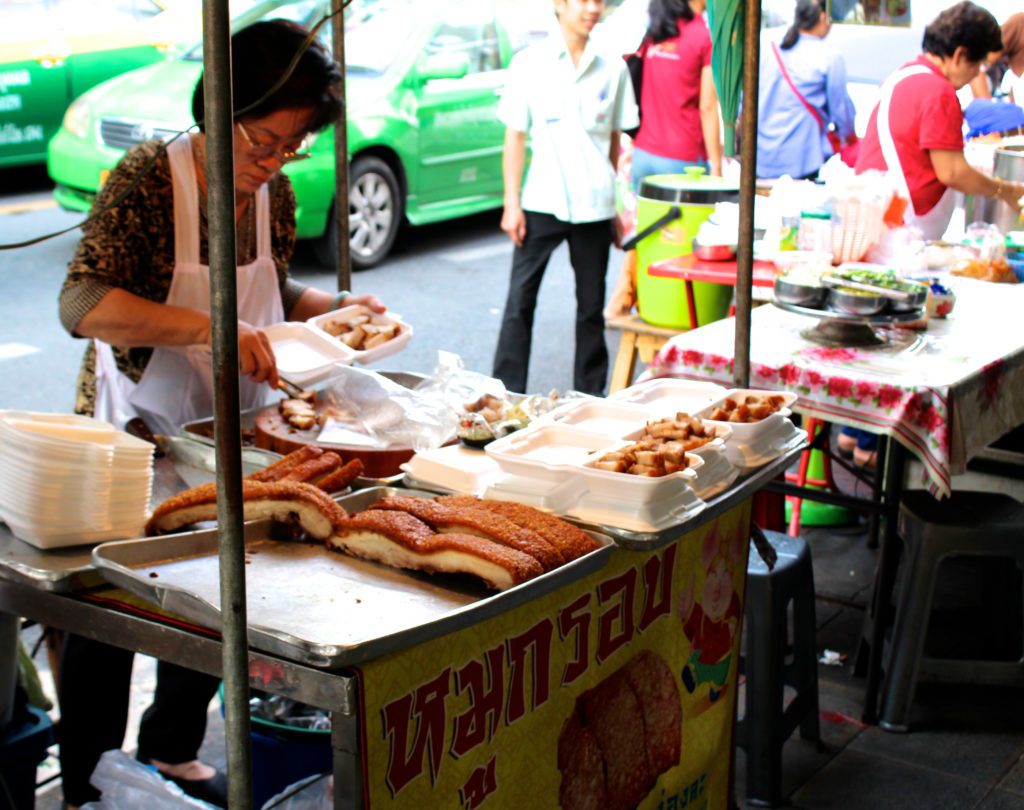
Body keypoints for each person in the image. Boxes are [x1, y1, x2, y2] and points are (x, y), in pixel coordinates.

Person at [56, 20, 383, 808]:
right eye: (260, 142)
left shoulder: (271, 191)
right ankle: (87, 785)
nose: (271, 163)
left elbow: (278, 293)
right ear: (218, 107)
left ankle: (168, 749)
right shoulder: (146, 179)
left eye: (289, 147)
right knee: (111, 618)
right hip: (135, 440)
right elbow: (82, 302)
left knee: (212, 602)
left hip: (229, 435)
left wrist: (338, 312)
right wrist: (213, 325)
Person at [492, 0, 638, 396]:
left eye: (599, 2)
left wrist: (615, 203)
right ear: (559, 3)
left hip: (595, 205)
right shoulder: (529, 63)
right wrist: (511, 203)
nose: (593, 8)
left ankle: (589, 400)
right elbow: (515, 136)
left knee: (591, 310)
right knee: (519, 304)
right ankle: (505, 397)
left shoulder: (614, 66)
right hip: (542, 200)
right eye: (583, 0)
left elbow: (614, 141)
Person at [855, 1, 1024, 240]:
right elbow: (953, 172)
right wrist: (1005, 190)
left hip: (876, 223)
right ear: (960, 55)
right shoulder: (938, 91)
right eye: (977, 65)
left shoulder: (904, 74)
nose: (976, 75)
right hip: (902, 233)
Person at [756, 0, 856, 180]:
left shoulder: (766, 46)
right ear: (823, 17)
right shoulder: (830, 57)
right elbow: (841, 111)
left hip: (760, 159)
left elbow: (744, 101)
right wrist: (848, 136)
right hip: (802, 160)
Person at [630, 0, 723, 186]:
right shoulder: (703, 37)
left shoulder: (655, 34)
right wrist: (717, 165)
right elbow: (708, 107)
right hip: (683, 162)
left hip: (642, 155)